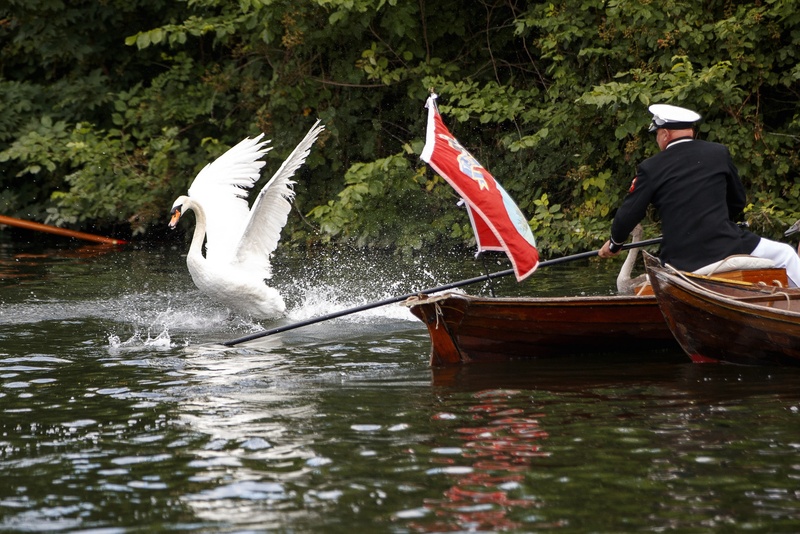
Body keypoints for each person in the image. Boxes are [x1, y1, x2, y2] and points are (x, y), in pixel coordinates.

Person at [598, 103, 800, 287]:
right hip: (727, 244)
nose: (657, 138)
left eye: (657, 134)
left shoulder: (650, 167)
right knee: (787, 254)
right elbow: (738, 201)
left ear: (666, 134)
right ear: (691, 131)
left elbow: (628, 214)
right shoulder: (719, 153)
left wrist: (615, 244)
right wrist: (716, 219)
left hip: (679, 259)